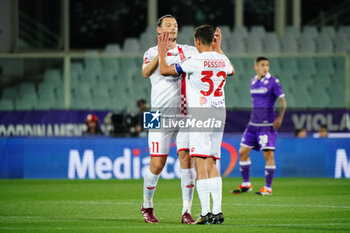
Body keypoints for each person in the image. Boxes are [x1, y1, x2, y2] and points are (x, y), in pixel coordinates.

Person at [158, 25, 235, 224]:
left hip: (201, 114)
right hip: (220, 113)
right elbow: (231, 71)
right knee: (212, 162)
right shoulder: (222, 59)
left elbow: (165, 70)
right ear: (213, 40)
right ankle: (217, 212)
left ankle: (205, 212)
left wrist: (161, 51)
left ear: (198, 41)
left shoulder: (194, 60)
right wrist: (219, 49)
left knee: (200, 163)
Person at [141, 15, 199, 224]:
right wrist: (161, 53)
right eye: (168, 25)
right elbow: (145, 73)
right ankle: (146, 205)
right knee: (157, 165)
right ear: (158, 30)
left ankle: (186, 211)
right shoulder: (150, 52)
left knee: (186, 159)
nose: (173, 28)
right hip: (157, 114)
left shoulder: (189, 50)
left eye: (175, 25)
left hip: (186, 113)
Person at [232, 56, 286, 196]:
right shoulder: (252, 82)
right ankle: (246, 184)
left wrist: (279, 117)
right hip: (252, 125)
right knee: (242, 152)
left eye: (267, 65)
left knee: (268, 154)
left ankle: (267, 188)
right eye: (262, 65)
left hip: (267, 125)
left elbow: (282, 100)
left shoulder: (274, 82)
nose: (265, 67)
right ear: (256, 66)